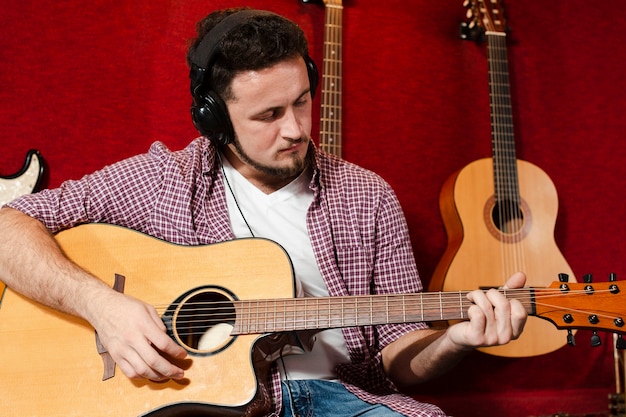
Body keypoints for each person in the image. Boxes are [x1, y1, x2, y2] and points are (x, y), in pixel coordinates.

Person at [0, 7, 527, 417]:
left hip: (337, 399)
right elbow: (6, 227)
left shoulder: (367, 197)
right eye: (269, 115)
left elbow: (398, 359)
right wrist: (101, 306)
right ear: (214, 120)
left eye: (301, 101)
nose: (296, 128)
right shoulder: (163, 182)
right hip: (197, 405)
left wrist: (453, 339)